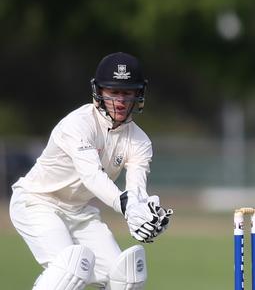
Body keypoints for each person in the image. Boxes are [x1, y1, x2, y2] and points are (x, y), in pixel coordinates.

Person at [9, 52, 173, 290]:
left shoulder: (140, 142)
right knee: (70, 268)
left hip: (80, 212)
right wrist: (127, 206)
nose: (120, 100)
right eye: (113, 92)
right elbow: (92, 176)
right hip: (37, 202)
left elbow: (135, 189)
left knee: (126, 277)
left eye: (127, 93)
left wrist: (145, 213)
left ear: (139, 94)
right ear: (99, 92)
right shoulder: (77, 125)